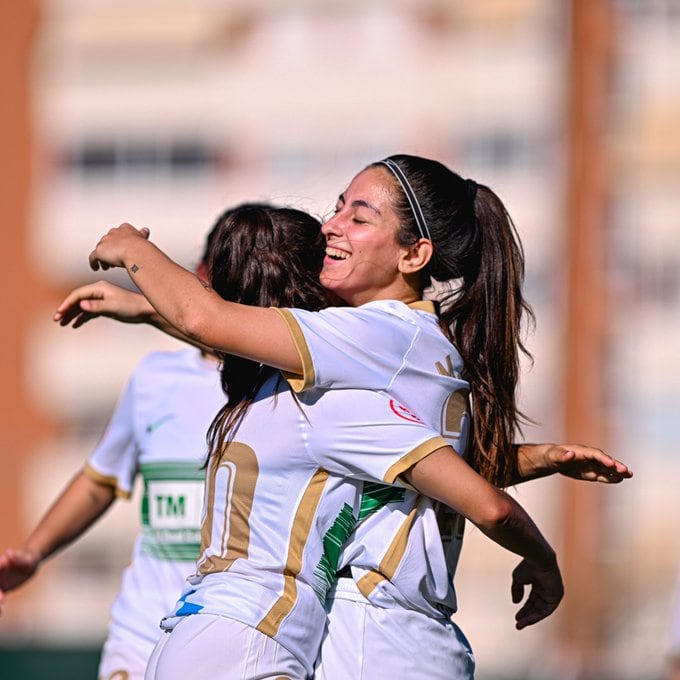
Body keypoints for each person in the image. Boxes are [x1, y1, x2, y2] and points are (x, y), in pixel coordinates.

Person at [54, 154, 632, 678]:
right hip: (399, 638)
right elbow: (434, 473)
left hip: (367, 638)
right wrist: (535, 458)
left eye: (359, 216)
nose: (330, 225)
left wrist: (134, 251)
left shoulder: (367, 339)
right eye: (337, 207)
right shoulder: (418, 347)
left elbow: (211, 320)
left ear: (414, 255)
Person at [0, 206, 251, 680]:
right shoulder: (156, 378)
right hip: (142, 633)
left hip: (231, 643)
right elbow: (100, 479)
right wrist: (33, 553)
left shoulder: (285, 386)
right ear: (198, 276)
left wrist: (141, 307)